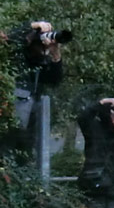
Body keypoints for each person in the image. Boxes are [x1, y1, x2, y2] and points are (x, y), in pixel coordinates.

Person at [4, 20, 71, 151]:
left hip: (31, 117)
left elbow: (54, 80)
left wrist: (55, 54)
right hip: (11, 114)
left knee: (25, 151)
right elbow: (8, 40)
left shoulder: (41, 61)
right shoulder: (17, 53)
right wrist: (33, 26)